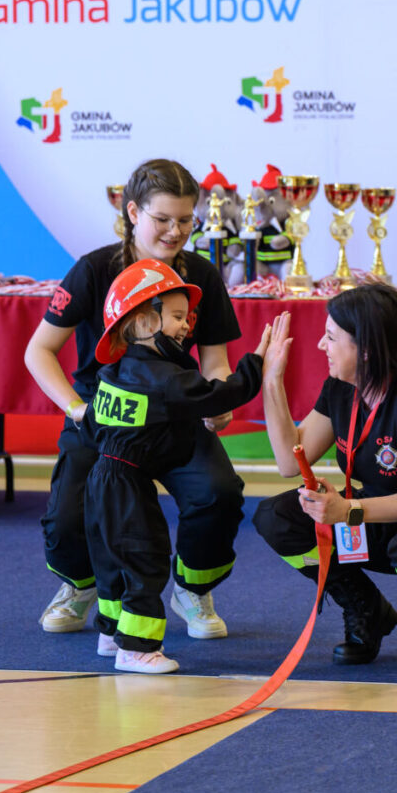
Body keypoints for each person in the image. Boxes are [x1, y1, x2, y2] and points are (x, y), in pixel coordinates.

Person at [25, 158, 245, 641]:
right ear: (132, 212)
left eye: (186, 220)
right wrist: (76, 409)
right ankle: (79, 587)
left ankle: (191, 590)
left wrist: (218, 403)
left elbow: (215, 363)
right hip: (102, 417)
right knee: (64, 520)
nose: (175, 231)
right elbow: (38, 351)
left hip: (174, 416)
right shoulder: (93, 269)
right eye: (163, 219)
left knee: (220, 494)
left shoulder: (204, 276)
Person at [253, 283, 397, 669]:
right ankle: (366, 610)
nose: (320, 345)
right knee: (276, 517)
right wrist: (272, 381)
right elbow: (288, 460)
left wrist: (348, 509)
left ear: (365, 349)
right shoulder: (340, 386)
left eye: (331, 337)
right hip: (375, 515)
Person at [81, 258, 268, 673]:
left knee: (112, 560)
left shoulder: (114, 371)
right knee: (145, 558)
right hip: (128, 486)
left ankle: (111, 634)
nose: (187, 327)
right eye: (178, 317)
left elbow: (92, 425)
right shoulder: (166, 379)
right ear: (145, 322)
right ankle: (137, 648)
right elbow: (219, 394)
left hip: (100, 480)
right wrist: (257, 365)